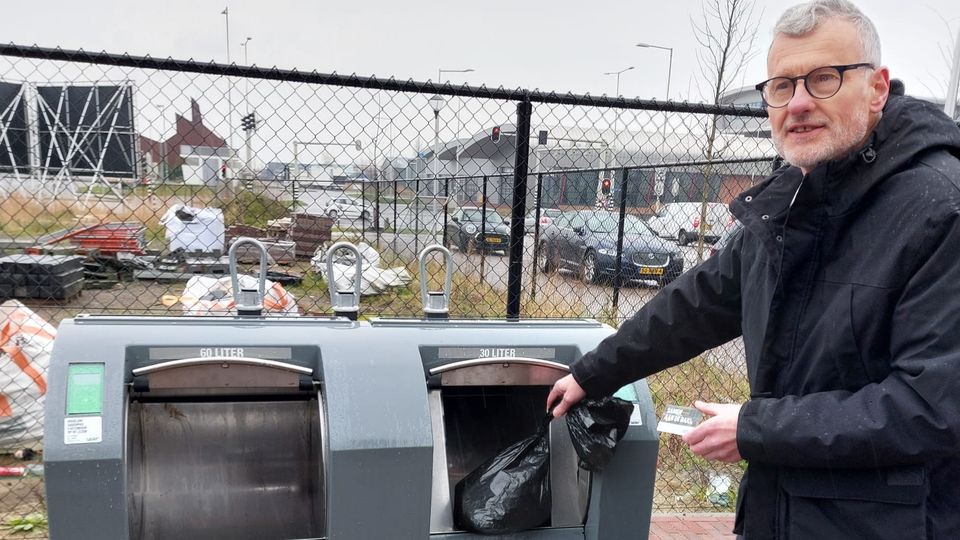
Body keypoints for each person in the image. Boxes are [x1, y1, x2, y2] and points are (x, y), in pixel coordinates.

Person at [547, 1, 960, 538]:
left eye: (824, 79)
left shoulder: (940, 210)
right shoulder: (795, 197)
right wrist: (593, 372)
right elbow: (698, 303)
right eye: (783, 86)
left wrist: (755, 428)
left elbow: (932, 406)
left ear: (877, 88)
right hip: (779, 510)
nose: (800, 103)